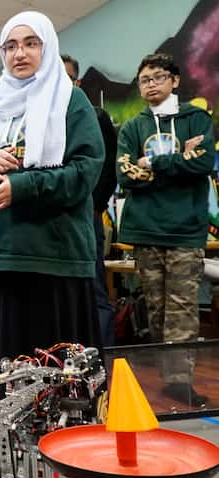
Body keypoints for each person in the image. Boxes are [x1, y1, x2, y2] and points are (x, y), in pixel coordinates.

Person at [0, 11, 104, 385]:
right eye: (11, 46)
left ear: (47, 47)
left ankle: (59, 445)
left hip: (56, 259)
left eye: (31, 43)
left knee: (59, 382)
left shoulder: (72, 101)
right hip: (0, 259)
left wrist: (23, 187)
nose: (20, 53)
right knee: (5, 382)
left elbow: (86, 173)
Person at [116, 52, 215, 406]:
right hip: (145, 230)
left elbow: (203, 162)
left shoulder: (196, 118)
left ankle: (180, 380)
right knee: (156, 310)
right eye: (144, 80)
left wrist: (154, 163)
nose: (151, 85)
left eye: (158, 77)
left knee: (183, 308)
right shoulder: (132, 127)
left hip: (186, 229)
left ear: (174, 80)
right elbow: (126, 175)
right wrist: (178, 162)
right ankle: (168, 375)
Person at [62, 54, 117, 347]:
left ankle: (103, 354)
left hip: (88, 218)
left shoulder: (96, 116)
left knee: (94, 287)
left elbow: (108, 167)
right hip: (56, 221)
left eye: (67, 77)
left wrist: (96, 207)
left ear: (77, 81)